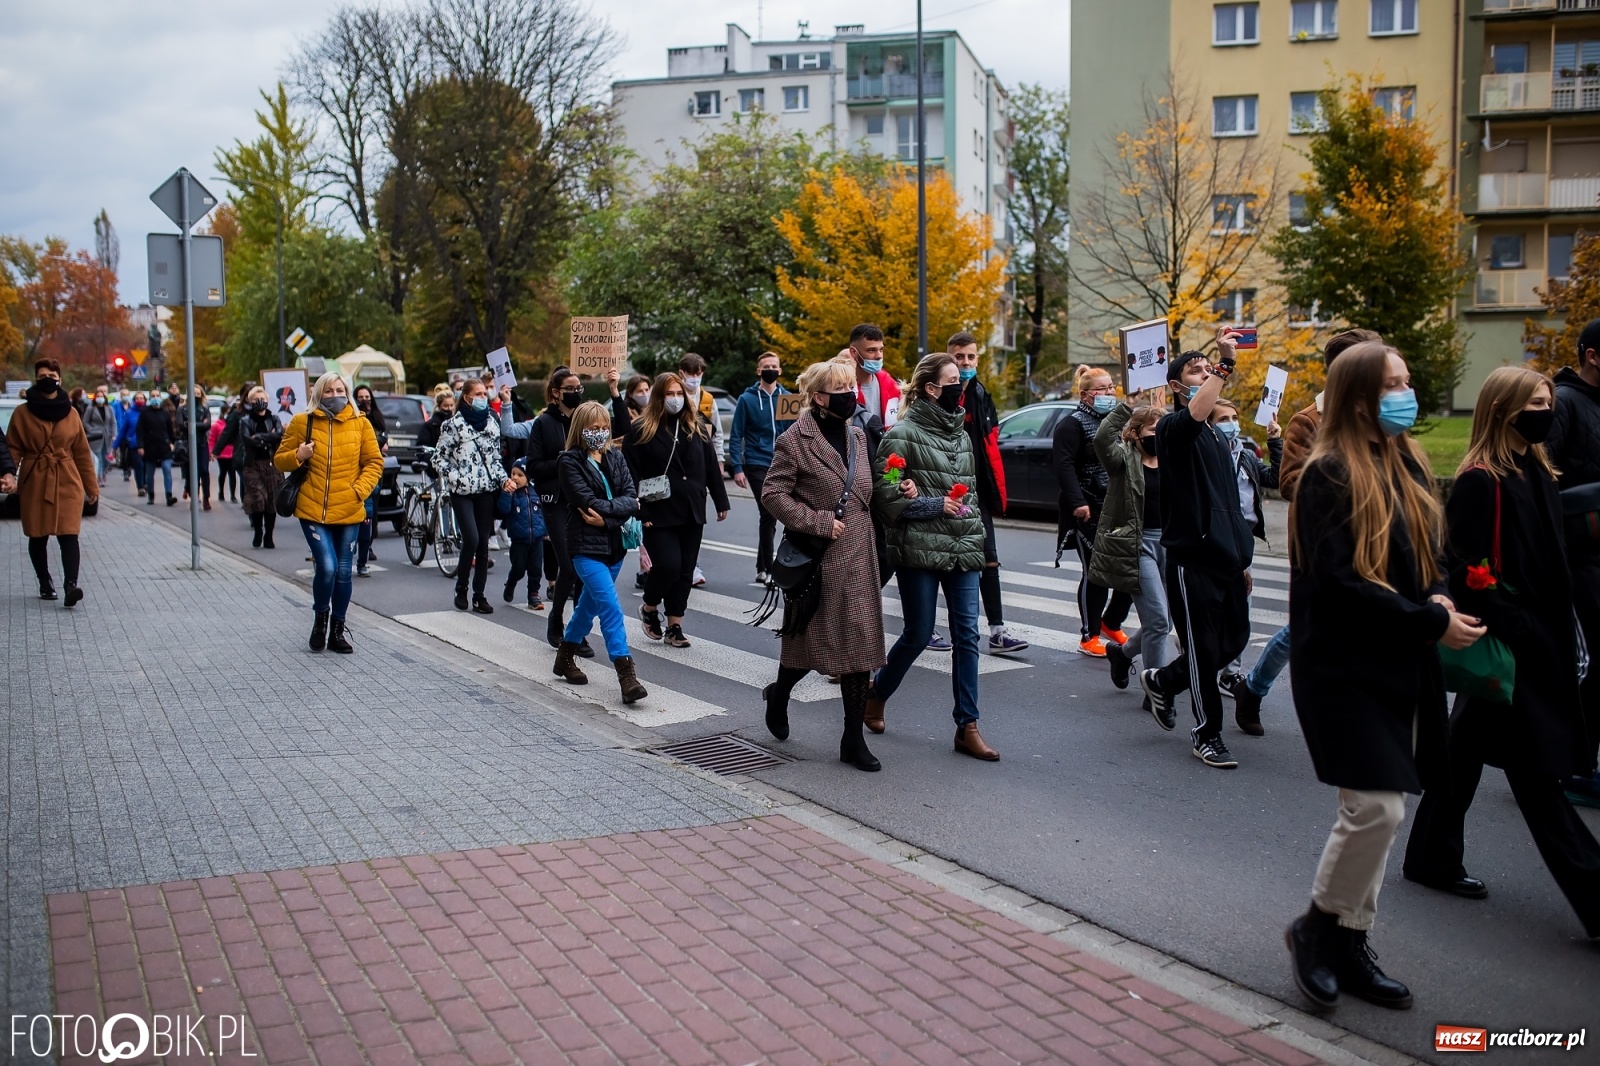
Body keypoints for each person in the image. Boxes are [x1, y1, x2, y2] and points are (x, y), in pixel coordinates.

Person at [1284, 341, 1486, 1010]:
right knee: (1375, 806)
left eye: (1407, 379)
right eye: (1392, 383)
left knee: (1384, 807)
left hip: (1397, 658)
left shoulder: (1407, 462)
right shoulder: (1327, 474)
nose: (1407, 392)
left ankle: (1350, 941)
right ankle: (1317, 929)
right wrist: (1428, 620)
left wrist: (1439, 596)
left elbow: (1434, 555)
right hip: (1341, 667)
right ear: (1360, 396)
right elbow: (1339, 586)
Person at [1402, 366, 1600, 936]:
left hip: (1539, 639)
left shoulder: (1536, 469)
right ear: (1503, 409)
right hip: (1514, 643)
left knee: (1464, 754)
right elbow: (1467, 571)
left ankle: (1430, 858)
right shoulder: (1481, 480)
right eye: (1535, 402)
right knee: (1538, 776)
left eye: (1548, 400)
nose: (1547, 410)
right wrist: (1524, 626)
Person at [1229, 329, 1383, 734]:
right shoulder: (1309, 421)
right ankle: (1254, 688)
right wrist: (1346, 476)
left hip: (1375, 539)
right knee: (1307, 628)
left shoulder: (1380, 414)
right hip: (1324, 543)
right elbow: (1290, 482)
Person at [862, 353, 999, 760]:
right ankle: (877, 692)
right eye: (954, 379)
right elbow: (886, 494)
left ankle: (967, 726)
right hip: (919, 548)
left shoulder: (961, 435)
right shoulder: (901, 433)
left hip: (962, 547)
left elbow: (969, 493)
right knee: (919, 634)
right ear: (931, 388)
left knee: (968, 637)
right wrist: (933, 505)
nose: (961, 386)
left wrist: (969, 521)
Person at [759, 360, 887, 771]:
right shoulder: (795, 440)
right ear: (817, 396)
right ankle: (779, 694)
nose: (852, 393)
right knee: (804, 647)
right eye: (841, 387)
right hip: (819, 560)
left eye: (852, 385)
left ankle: (851, 740)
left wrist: (898, 487)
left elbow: (867, 488)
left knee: (859, 647)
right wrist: (816, 521)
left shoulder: (857, 435)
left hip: (860, 553)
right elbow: (773, 494)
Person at [1137, 333, 1255, 769]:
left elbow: (1230, 503)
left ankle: (1165, 681)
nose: (1205, 373)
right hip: (1192, 561)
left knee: (1234, 641)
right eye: (1196, 370)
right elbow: (1196, 413)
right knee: (1203, 650)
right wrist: (1225, 366)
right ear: (1175, 385)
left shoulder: (1219, 440)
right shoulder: (1173, 430)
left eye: (1209, 369)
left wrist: (1242, 558)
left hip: (1227, 559)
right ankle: (1207, 734)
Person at [275, 372, 384, 653]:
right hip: (314, 509)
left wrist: (358, 491)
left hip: (349, 508)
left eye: (339, 390)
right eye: (328, 391)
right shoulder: (303, 421)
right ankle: (320, 620)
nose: (335, 395)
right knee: (327, 567)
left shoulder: (361, 424)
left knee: (344, 572)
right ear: (318, 394)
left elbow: (374, 462)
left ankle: (337, 629)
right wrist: (298, 456)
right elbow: (279, 459)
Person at [550, 401, 648, 704]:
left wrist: (607, 518)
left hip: (615, 546)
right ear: (581, 428)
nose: (600, 432)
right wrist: (620, 509)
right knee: (610, 607)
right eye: (593, 428)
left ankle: (564, 657)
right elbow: (585, 501)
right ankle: (626, 674)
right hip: (585, 548)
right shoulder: (568, 462)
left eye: (604, 427)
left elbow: (632, 498)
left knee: (587, 609)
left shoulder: (616, 457)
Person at [623, 372, 731, 647]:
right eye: (669, 394)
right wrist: (640, 511)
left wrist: (721, 501)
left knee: (684, 570)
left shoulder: (696, 426)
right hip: (657, 512)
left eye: (679, 394)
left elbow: (710, 467)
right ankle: (649, 607)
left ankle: (675, 625)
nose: (675, 399)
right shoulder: (641, 430)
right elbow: (630, 474)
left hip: (691, 508)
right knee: (668, 566)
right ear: (659, 397)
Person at [1547, 318, 1600, 810]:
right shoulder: (1565, 403)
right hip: (1578, 555)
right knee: (1588, 664)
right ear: (1592, 355)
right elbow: (1547, 476)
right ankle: (1577, 767)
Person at [502, 368, 590, 652]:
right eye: (570, 388)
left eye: (579, 388)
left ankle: (577, 631)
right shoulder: (543, 423)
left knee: (584, 567)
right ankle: (556, 619)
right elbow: (535, 466)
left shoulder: (585, 419)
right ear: (556, 393)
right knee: (568, 563)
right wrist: (565, 461)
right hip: (554, 501)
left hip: (582, 500)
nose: (576, 392)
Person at [950, 332, 1028, 654]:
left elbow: (990, 446)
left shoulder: (982, 395)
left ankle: (997, 631)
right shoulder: (938, 395)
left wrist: (995, 493)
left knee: (989, 560)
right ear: (949, 358)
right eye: (959, 357)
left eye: (970, 357)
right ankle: (926, 629)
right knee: (944, 565)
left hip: (976, 493)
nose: (965, 363)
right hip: (946, 494)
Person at [1208, 398, 1281, 736]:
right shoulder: (1208, 457)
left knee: (1240, 615)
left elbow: (1276, 479)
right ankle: (1181, 667)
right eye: (1223, 418)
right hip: (1218, 542)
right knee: (1212, 615)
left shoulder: (1245, 456)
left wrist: (1276, 441)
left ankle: (1228, 671)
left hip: (1244, 541)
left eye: (1235, 418)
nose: (1232, 424)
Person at [1053, 364, 1133, 657]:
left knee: (1129, 568)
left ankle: (1112, 621)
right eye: (1103, 389)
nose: (1109, 393)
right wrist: (1077, 502)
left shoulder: (1117, 421)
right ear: (1086, 394)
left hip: (1118, 505)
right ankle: (1090, 634)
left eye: (1111, 387)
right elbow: (1063, 467)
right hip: (1088, 506)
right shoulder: (1071, 424)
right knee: (1096, 573)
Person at [1093, 399, 1173, 695]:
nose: (1158, 435)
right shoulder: (1123, 460)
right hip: (1138, 546)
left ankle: (1122, 654)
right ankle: (1157, 688)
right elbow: (1103, 439)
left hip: (1171, 544)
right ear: (1136, 434)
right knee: (1158, 621)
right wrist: (1126, 407)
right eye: (1153, 430)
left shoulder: (1171, 457)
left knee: (1166, 619)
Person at [7, 361, 97, 606]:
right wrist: (7, 475)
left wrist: (91, 487)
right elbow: (13, 448)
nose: (48, 379)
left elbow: (81, 452)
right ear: (36, 379)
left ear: (60, 378)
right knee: (38, 534)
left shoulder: (71, 412)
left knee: (69, 533)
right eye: (43, 375)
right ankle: (45, 582)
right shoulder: (22, 413)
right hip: (35, 477)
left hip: (66, 477)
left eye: (52, 375)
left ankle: (71, 585)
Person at [435, 378, 513, 613]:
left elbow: (495, 459)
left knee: (482, 544)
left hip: (486, 491)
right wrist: (456, 477)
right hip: (462, 492)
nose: (483, 397)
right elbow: (438, 459)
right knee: (472, 538)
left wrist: (504, 479)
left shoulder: (492, 421)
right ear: (467, 397)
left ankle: (479, 595)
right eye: (478, 394)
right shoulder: (453, 425)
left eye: (484, 393)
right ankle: (461, 588)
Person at [729, 351, 791, 584]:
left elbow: (793, 431)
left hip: (782, 462)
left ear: (780, 370)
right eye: (766, 366)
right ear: (758, 371)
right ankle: (771, 569)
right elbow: (736, 435)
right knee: (769, 512)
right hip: (756, 462)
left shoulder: (787, 399)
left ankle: (762, 566)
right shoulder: (747, 400)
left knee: (771, 516)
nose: (770, 369)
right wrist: (737, 467)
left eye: (774, 366)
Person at [219, 386, 284, 548]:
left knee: (271, 501)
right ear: (249, 401)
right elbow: (247, 440)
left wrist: (261, 437)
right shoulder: (245, 421)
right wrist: (268, 438)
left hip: (272, 463)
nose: (260, 402)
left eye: (262, 399)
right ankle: (258, 531)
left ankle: (269, 534)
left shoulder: (274, 418)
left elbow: (279, 435)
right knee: (257, 498)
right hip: (252, 464)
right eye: (256, 400)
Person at [497, 460, 546, 609]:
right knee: (518, 568)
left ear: (528, 477)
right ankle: (511, 582)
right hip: (519, 540)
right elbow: (503, 510)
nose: (515, 478)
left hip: (537, 539)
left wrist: (546, 531)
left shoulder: (536, 492)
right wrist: (506, 494)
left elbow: (543, 514)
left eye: (520, 475)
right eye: (513, 474)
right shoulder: (511, 494)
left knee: (536, 568)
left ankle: (533, 595)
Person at [353, 384, 389, 578]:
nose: (365, 400)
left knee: (368, 520)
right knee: (351, 524)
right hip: (352, 479)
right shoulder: (351, 424)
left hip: (370, 480)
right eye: (361, 397)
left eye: (367, 397)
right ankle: (350, 557)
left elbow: (381, 442)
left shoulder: (376, 420)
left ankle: (363, 560)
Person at [847, 324, 902, 428]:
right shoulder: (843, 389)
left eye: (881, 350)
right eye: (871, 350)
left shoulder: (892, 386)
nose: (879, 356)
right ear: (854, 352)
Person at [136, 392, 177, 507]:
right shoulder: (145, 412)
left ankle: (169, 496)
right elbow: (140, 431)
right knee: (150, 473)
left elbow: (170, 429)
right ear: (150, 398)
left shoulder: (165, 412)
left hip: (164, 446)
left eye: (157, 396)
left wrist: (173, 442)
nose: (155, 398)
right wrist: (140, 446)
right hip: (150, 447)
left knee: (167, 469)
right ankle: (151, 495)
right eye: (153, 396)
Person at [177, 383, 213, 510]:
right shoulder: (182, 409)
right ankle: (194, 496)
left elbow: (207, 425)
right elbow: (181, 425)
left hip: (202, 443)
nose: (196, 396)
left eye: (198, 394)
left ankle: (206, 498)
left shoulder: (205, 409)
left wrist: (192, 424)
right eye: (194, 394)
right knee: (191, 472)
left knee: (204, 470)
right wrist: (199, 424)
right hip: (187, 444)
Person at [82, 389, 116, 486]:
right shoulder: (90, 408)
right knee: (98, 457)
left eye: (102, 396)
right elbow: (85, 422)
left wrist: (114, 434)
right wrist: (92, 430)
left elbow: (113, 422)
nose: (100, 398)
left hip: (106, 436)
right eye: (98, 397)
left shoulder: (109, 408)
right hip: (95, 436)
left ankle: (103, 473)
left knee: (106, 458)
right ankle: (99, 477)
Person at [210, 400, 238, 503]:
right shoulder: (217, 425)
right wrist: (212, 451)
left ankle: (233, 495)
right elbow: (213, 439)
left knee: (232, 474)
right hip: (222, 454)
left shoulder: (233, 422)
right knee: (223, 473)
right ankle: (221, 492)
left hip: (232, 452)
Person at [607, 369, 651, 434]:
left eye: (647, 390)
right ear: (630, 394)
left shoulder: (653, 411)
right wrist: (614, 389)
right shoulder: (626, 413)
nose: (645, 394)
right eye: (640, 391)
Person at [114, 389, 140, 488]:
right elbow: (114, 419)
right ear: (120, 396)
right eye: (123, 395)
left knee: (131, 453)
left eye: (127, 394)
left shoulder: (133, 406)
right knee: (124, 453)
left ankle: (130, 467)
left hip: (132, 434)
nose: (125, 396)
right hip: (122, 433)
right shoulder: (116, 406)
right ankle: (126, 470)